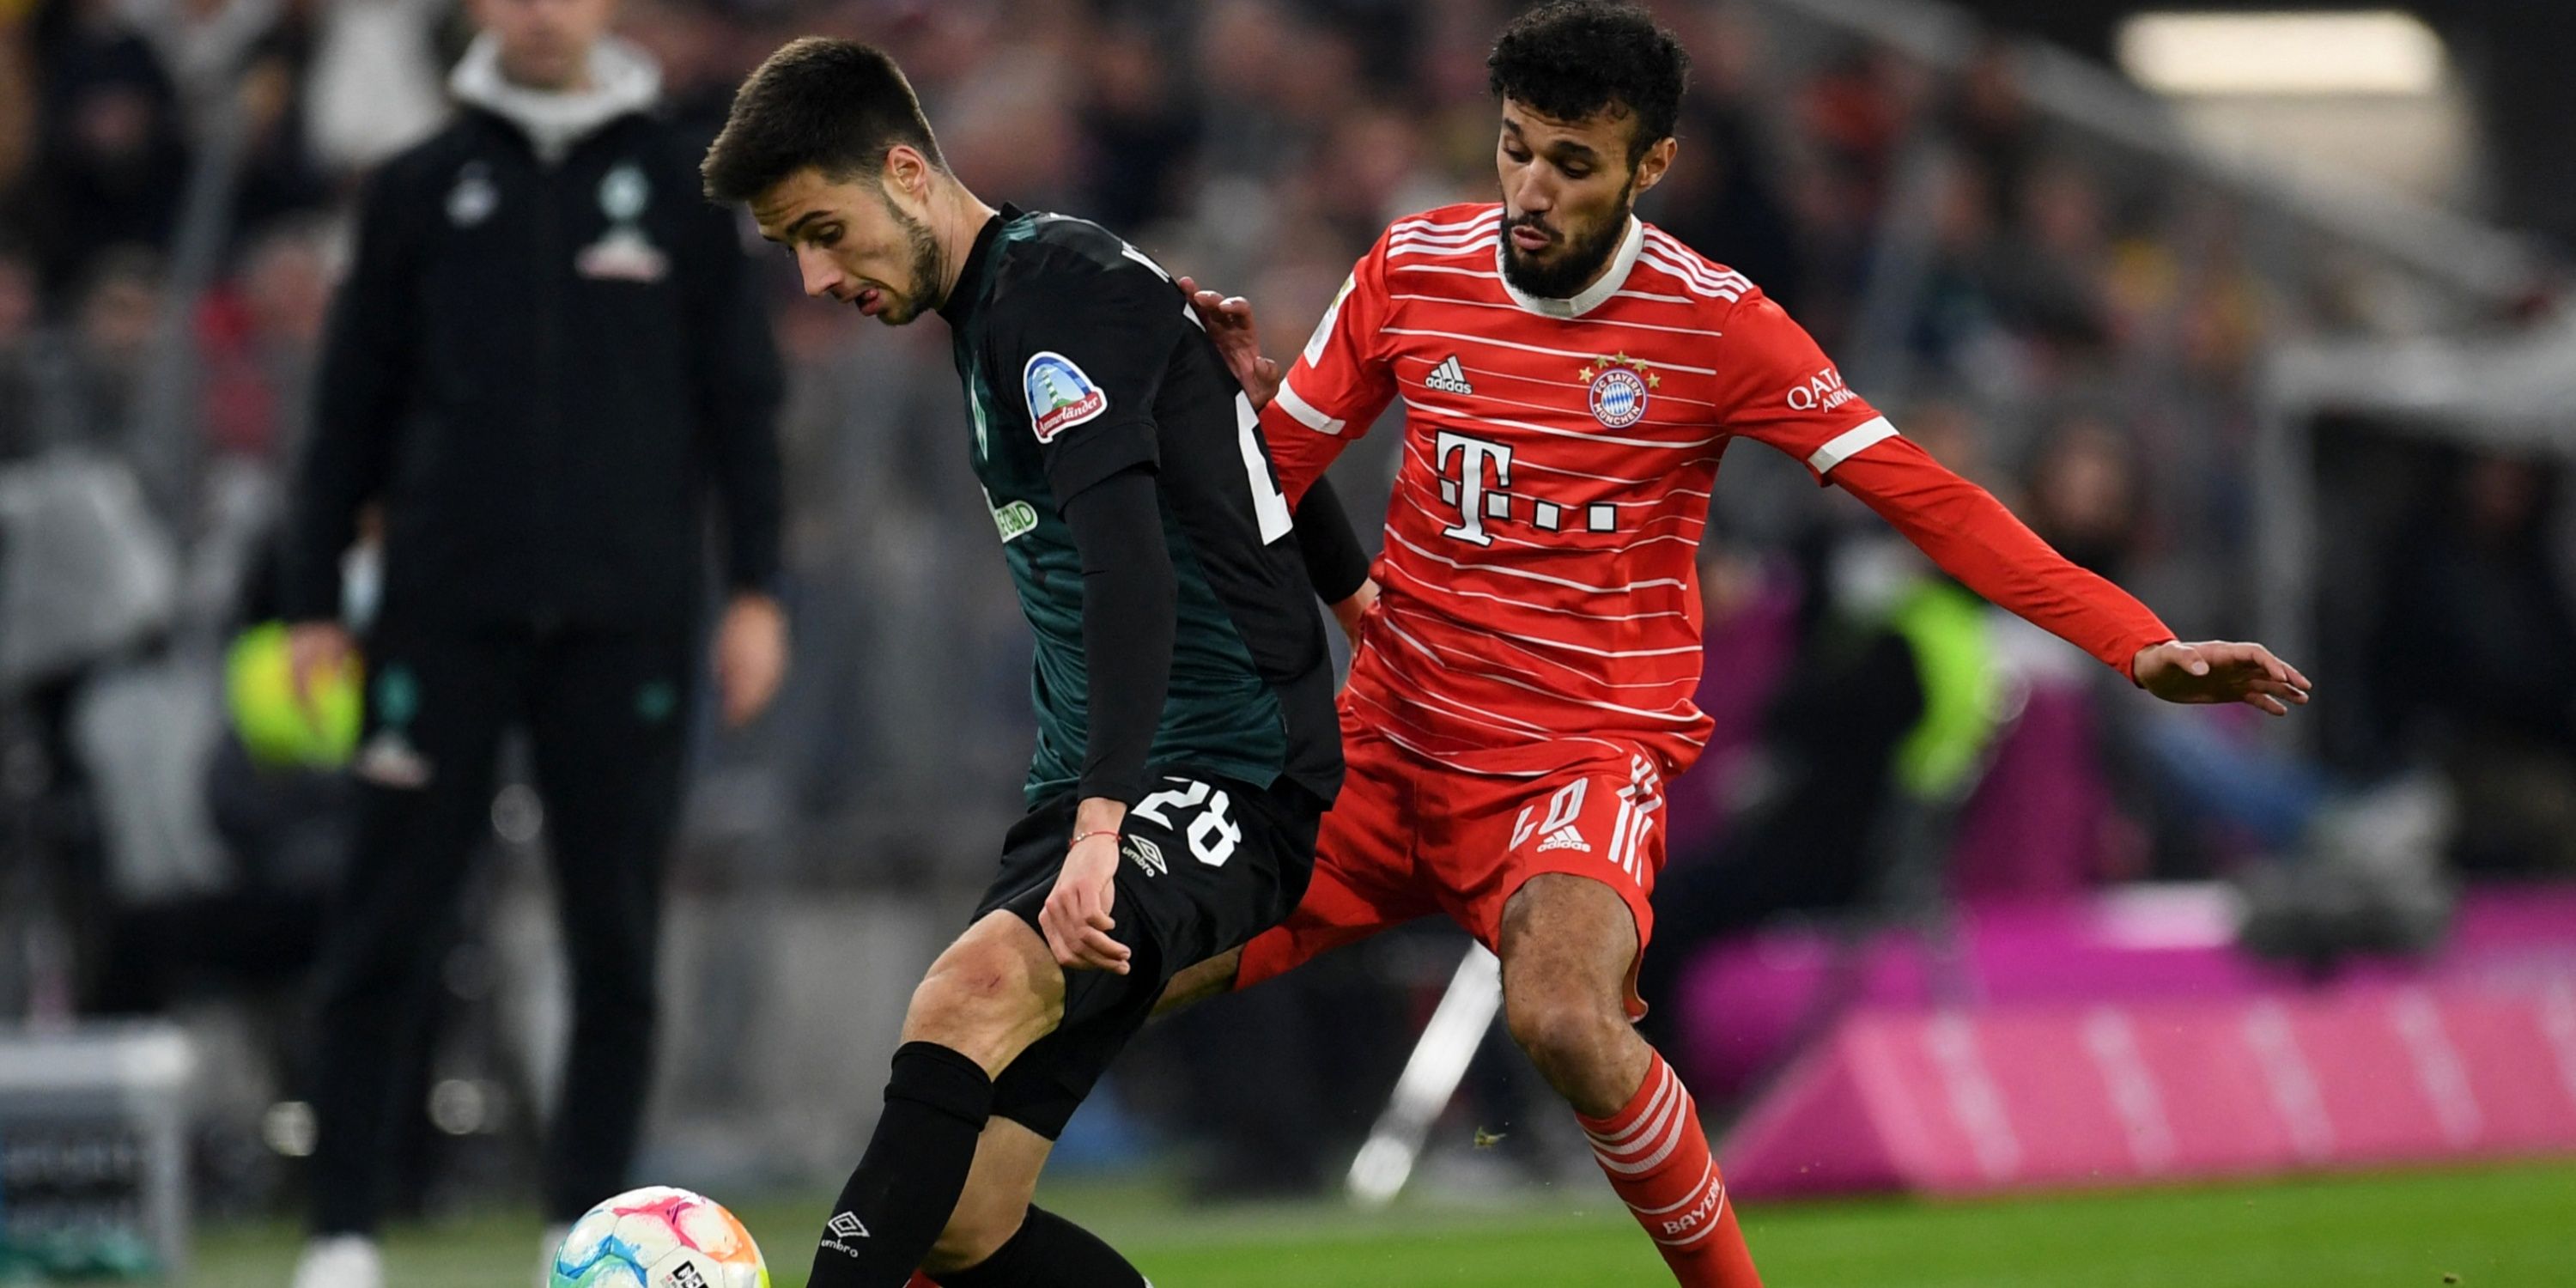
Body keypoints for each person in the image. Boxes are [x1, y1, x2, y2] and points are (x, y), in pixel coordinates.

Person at [1163, 4, 2312, 1285]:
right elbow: (1276, 476)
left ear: (1649, 165)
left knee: (1561, 1016)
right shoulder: (1411, 268)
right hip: (1387, 743)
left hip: (1578, 763)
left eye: (1573, 162)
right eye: (1514, 148)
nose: (1530, 190)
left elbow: (1926, 497)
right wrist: (1214, 423)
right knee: (1098, 971)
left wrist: (2135, 642)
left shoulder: (1716, 326)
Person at [699, 37, 1356, 1288]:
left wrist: (1103, 827)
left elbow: (1132, 568)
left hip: (1221, 778)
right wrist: (1360, 598)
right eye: (790, 246)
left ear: (905, 169)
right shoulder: (1027, 295)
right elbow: (1240, 445)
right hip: (1106, 787)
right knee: (968, 1216)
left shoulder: (1054, 291)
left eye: (825, 230)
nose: (814, 274)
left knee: (968, 992)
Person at [279, 0, 787, 1284]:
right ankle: (345, 1230)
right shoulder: (414, 187)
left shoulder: (685, 183)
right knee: (385, 922)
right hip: (438, 619)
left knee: (613, 934)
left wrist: (757, 590)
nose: (543, 12)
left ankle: (590, 1224)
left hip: (627, 621)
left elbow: (742, 399)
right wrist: (310, 601)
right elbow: (347, 407)